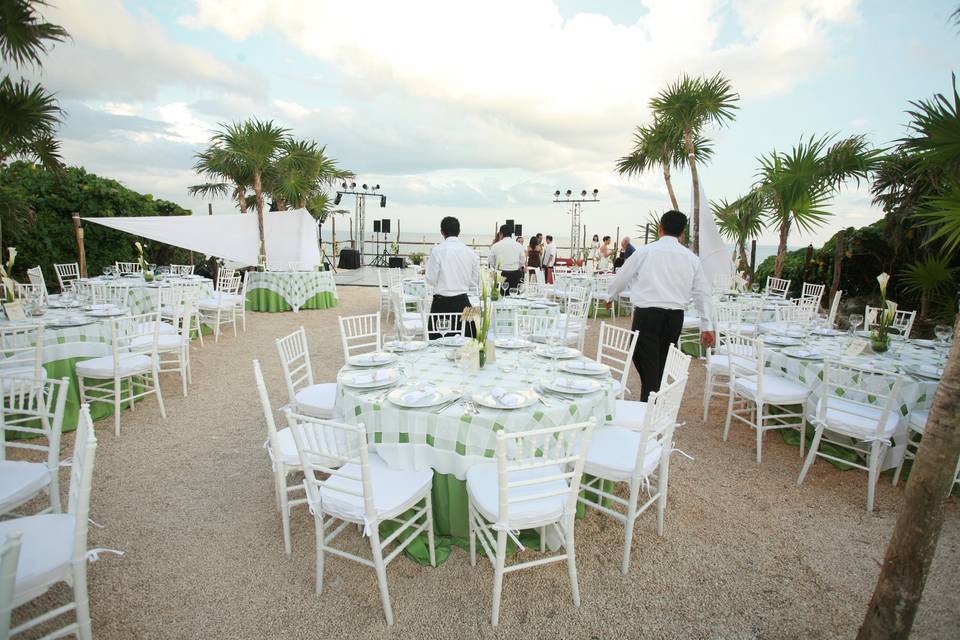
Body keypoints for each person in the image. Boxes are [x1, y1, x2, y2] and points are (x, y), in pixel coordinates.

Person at [609, 210, 715, 401]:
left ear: (660, 229)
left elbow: (622, 276)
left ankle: (649, 408)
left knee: (647, 364)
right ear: (682, 233)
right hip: (674, 319)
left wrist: (610, 296)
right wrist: (707, 326)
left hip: (647, 317)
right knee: (659, 364)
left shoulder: (646, 251)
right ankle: (653, 401)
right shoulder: (691, 258)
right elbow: (702, 293)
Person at [426, 216, 480, 336]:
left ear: (442, 232)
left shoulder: (437, 251)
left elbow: (430, 279)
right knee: (469, 341)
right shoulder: (471, 253)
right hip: (464, 303)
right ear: (459, 232)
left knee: (437, 345)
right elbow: (475, 281)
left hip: (440, 305)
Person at [488, 224, 525, 294]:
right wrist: (516, 266)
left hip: (501, 275)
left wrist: (497, 266)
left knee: (500, 296)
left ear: (501, 234)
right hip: (515, 275)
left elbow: (490, 260)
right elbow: (523, 260)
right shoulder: (519, 246)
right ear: (511, 234)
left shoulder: (495, 246)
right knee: (514, 296)